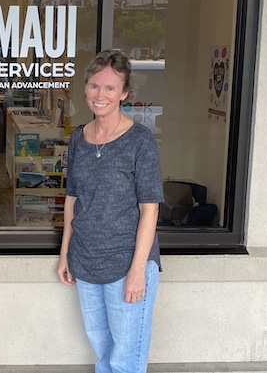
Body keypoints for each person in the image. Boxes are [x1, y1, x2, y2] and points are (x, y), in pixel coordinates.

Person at [56, 49, 164, 373]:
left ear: (125, 93)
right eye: (94, 86)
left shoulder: (139, 142)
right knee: (102, 349)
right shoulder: (78, 138)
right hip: (86, 260)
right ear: (85, 88)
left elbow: (150, 210)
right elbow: (72, 199)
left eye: (110, 88)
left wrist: (137, 271)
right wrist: (65, 254)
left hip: (126, 264)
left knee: (126, 359)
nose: (100, 94)